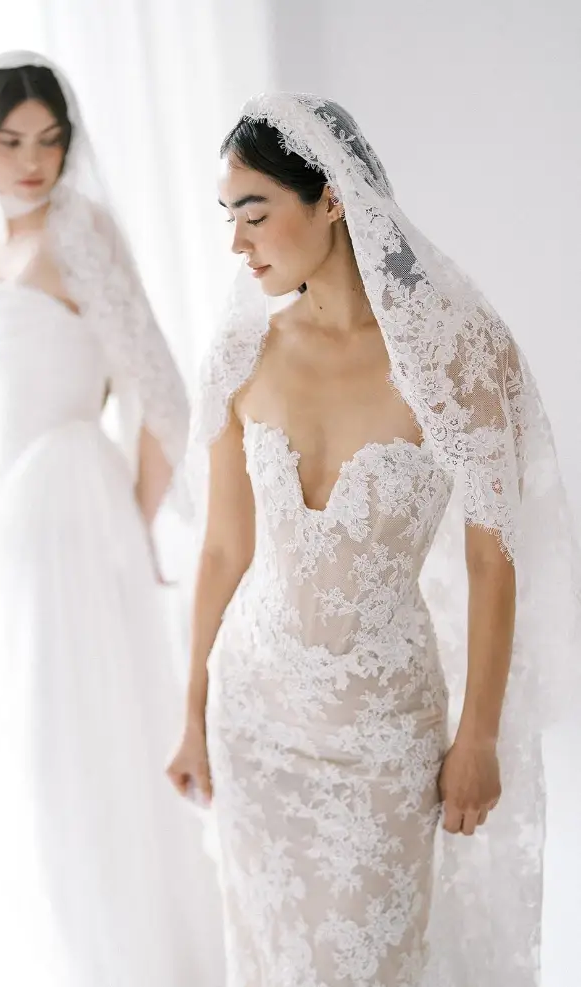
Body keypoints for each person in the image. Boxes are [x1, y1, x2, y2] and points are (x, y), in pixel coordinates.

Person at [167, 93, 581, 986]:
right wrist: (193, 711)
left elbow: (490, 555)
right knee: (271, 957)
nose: (237, 244)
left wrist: (480, 737)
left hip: (383, 733)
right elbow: (222, 551)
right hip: (255, 717)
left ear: (331, 198)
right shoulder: (241, 352)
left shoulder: (457, 357)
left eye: (255, 213)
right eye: (226, 218)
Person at [0, 51, 223, 987]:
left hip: (77, 510)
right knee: (51, 745)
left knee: (101, 736)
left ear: (71, 145)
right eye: (11, 142)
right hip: (18, 523)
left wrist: (132, 518)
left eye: (49, 140)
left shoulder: (81, 231)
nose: (32, 161)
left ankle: (151, 956)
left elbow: (162, 394)